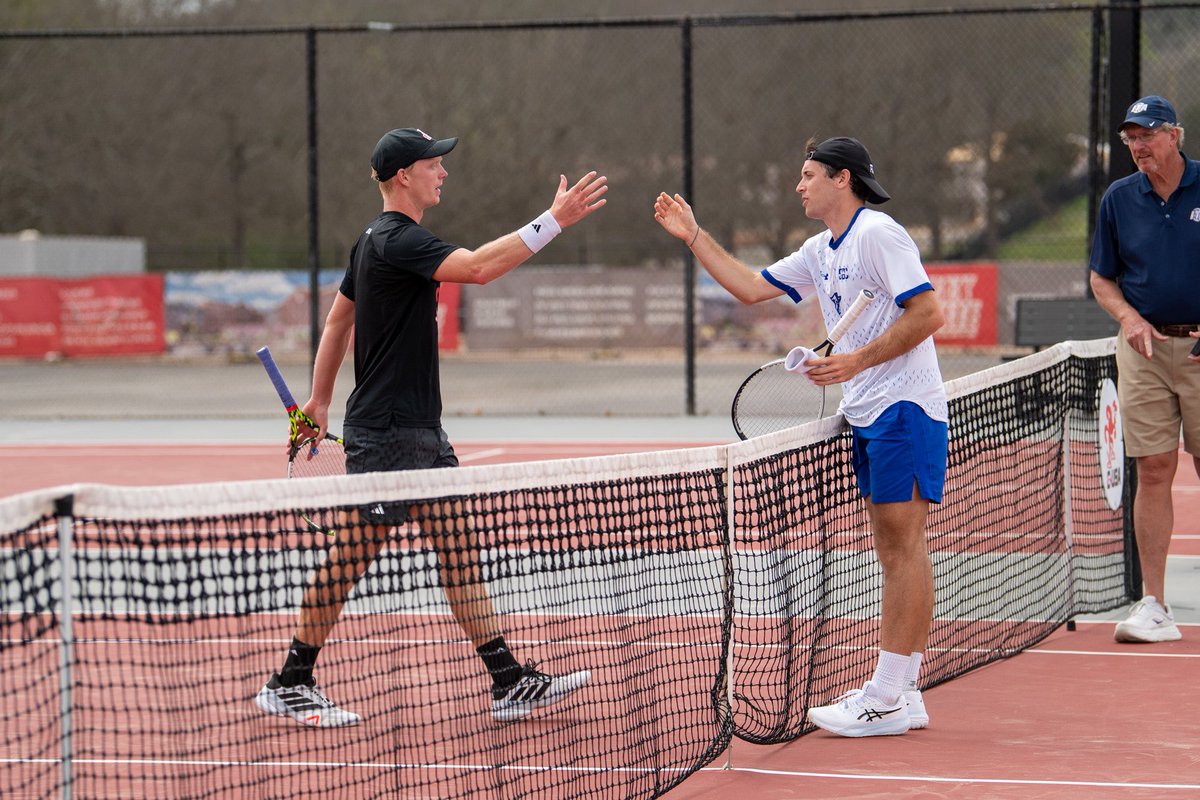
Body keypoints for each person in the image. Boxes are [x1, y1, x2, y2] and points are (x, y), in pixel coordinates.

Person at [255, 127, 608, 727]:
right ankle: (289, 680)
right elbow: (475, 269)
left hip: (417, 429)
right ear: (403, 177)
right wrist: (552, 220)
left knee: (458, 551)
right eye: (433, 164)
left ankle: (507, 680)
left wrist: (317, 400)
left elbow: (339, 322)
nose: (442, 172)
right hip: (389, 433)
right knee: (349, 559)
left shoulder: (371, 242)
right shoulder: (396, 238)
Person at [654, 136, 947, 737]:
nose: (799, 184)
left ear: (843, 179)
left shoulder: (879, 234)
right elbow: (750, 287)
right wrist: (693, 235)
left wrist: (855, 361)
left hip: (904, 408)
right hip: (867, 411)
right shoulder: (821, 249)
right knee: (898, 547)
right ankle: (905, 691)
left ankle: (888, 694)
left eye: (809, 174)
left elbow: (928, 314)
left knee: (901, 547)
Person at [1089, 95, 1200, 644]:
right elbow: (1101, 278)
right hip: (1145, 350)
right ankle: (1154, 604)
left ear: (1175, 135)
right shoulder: (1118, 199)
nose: (1138, 146)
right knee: (1153, 468)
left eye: (1148, 134)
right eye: (1131, 137)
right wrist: (1128, 317)